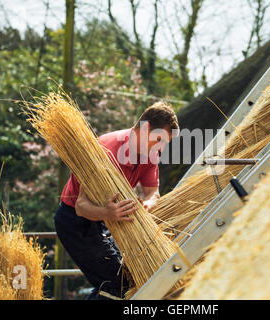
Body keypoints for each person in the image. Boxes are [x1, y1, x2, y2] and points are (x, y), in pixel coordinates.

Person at [53, 101, 179, 300]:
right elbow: (81, 206)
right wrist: (107, 213)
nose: (161, 149)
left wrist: (147, 205)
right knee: (116, 285)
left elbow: (153, 193)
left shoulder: (150, 155)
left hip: (105, 221)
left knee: (122, 281)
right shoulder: (105, 152)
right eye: (159, 140)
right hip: (75, 223)